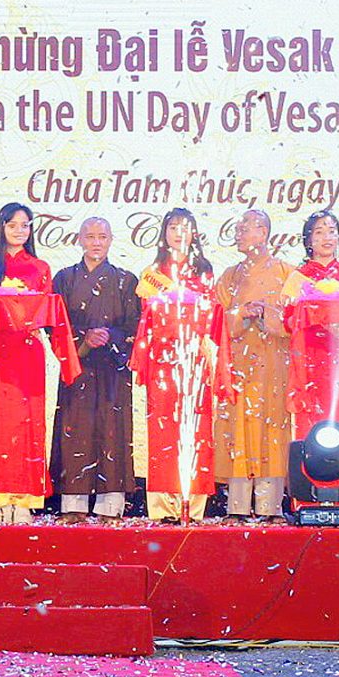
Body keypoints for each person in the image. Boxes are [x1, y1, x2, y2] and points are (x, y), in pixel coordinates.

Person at [0, 201, 78, 522]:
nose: (19, 231)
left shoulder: (40, 268)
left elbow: (45, 311)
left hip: (28, 353)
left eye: (25, 225)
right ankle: (1, 501)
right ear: (1, 227)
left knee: (28, 423)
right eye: (13, 225)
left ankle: (26, 501)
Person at [134, 208, 222, 523]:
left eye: (185, 227)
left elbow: (212, 315)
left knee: (196, 429)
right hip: (163, 359)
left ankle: (193, 505)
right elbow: (146, 317)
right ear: (164, 232)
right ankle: (161, 507)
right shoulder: (152, 273)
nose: (178, 233)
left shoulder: (204, 272)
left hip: (194, 358)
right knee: (163, 430)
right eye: (173, 227)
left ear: (194, 233)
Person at [52, 217, 139, 521]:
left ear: (111, 239)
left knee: (113, 430)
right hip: (77, 366)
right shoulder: (64, 279)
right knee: (74, 430)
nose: (96, 242)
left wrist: (109, 336)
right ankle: (73, 504)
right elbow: (56, 325)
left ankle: (110, 505)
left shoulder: (127, 280)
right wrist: (84, 339)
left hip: (113, 369)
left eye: (102, 236)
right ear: (79, 240)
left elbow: (135, 328)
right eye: (90, 236)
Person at [213, 208, 292, 519]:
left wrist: (268, 313)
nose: (238, 235)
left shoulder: (287, 273)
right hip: (239, 366)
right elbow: (215, 319)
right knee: (238, 430)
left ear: (263, 233)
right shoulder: (229, 276)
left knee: (273, 431)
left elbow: (295, 320)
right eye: (238, 229)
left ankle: (271, 507)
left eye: (244, 229)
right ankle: (237, 507)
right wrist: (241, 313)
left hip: (273, 366)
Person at [278, 209, 339, 439]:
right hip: (310, 357)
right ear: (308, 240)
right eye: (319, 232)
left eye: (331, 231)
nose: (327, 237)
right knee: (312, 422)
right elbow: (288, 322)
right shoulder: (298, 277)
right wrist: (313, 315)